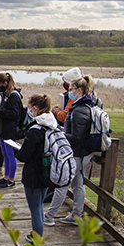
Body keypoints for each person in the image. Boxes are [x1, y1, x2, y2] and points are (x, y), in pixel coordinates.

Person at [46, 76, 97, 226]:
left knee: (63, 183)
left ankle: (49, 215)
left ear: (79, 90)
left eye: (71, 89)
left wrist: (60, 134)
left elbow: (76, 137)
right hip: (82, 153)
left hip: (77, 154)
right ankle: (76, 214)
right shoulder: (86, 105)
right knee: (77, 183)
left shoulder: (80, 110)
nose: (69, 92)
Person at [15, 94, 56, 244]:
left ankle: (36, 241)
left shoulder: (35, 130)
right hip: (47, 172)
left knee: (36, 211)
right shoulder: (52, 126)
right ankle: (36, 236)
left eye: (29, 107)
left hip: (33, 175)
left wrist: (17, 151)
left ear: (35, 108)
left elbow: (24, 156)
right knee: (39, 206)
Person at [0, 72, 24, 189]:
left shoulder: (13, 96)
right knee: (5, 154)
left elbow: (14, 113)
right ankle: (6, 177)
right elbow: (4, 109)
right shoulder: (5, 94)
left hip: (9, 130)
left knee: (10, 154)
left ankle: (11, 179)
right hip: (3, 128)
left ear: (5, 83)